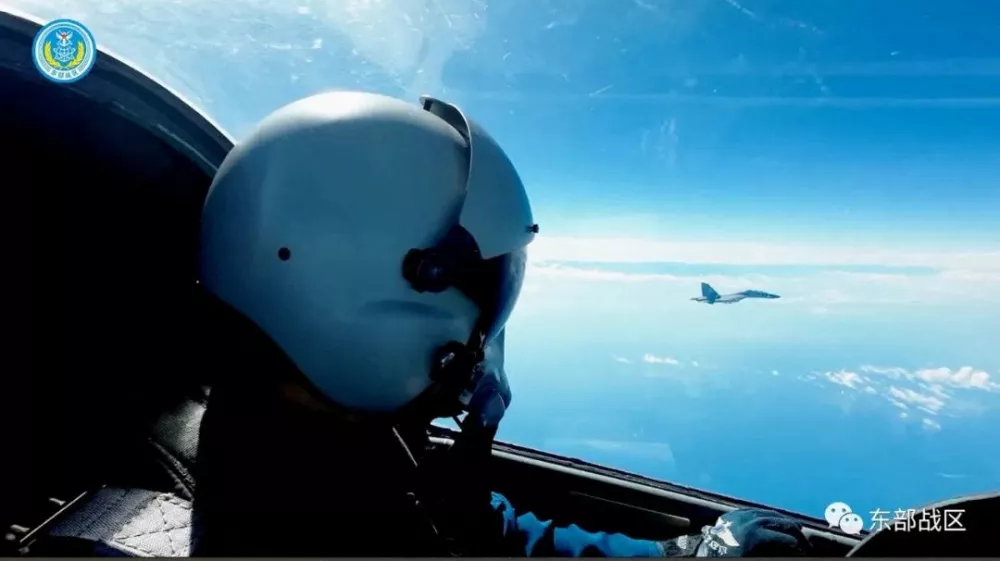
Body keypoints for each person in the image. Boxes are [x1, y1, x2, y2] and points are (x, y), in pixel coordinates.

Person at [191, 90, 813, 557]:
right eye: (481, 298)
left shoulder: (311, 438)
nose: (481, 344)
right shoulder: (310, 520)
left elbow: (469, 528)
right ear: (380, 304)